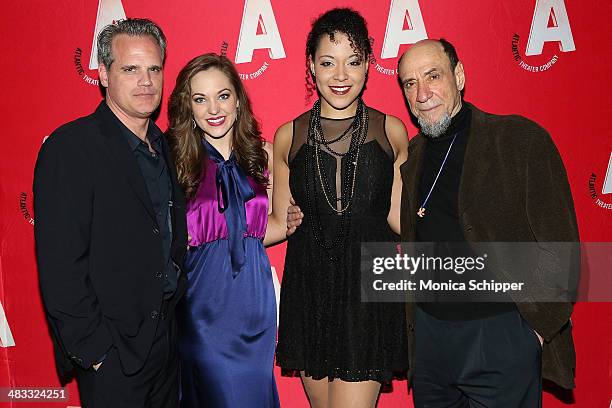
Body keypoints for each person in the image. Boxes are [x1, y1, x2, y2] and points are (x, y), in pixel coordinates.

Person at [397, 39, 579, 407]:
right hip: (431, 343)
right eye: (410, 83)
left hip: (500, 337)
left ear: (459, 75)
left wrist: (532, 333)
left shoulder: (518, 140)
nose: (422, 93)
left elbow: (562, 249)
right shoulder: (415, 155)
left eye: (433, 76)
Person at [34, 18, 186, 407]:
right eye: (130, 69)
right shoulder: (71, 149)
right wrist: (97, 353)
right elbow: (60, 266)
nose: (146, 81)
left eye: (154, 69)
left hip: (166, 351)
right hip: (114, 356)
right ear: (103, 74)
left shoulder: (164, 145)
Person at [273, 8, 409, 408]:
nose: (340, 76)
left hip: (367, 297)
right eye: (328, 62)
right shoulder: (288, 136)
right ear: (311, 67)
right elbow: (281, 222)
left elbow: (400, 220)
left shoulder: (391, 130)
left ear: (368, 66)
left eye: (353, 62)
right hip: (309, 293)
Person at [167, 53, 300, 407]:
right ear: (189, 107)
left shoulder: (265, 156)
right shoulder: (175, 161)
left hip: (255, 305)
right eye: (200, 98)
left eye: (223, 95)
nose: (214, 108)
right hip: (203, 308)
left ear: (238, 100)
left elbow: (263, 228)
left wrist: (289, 224)